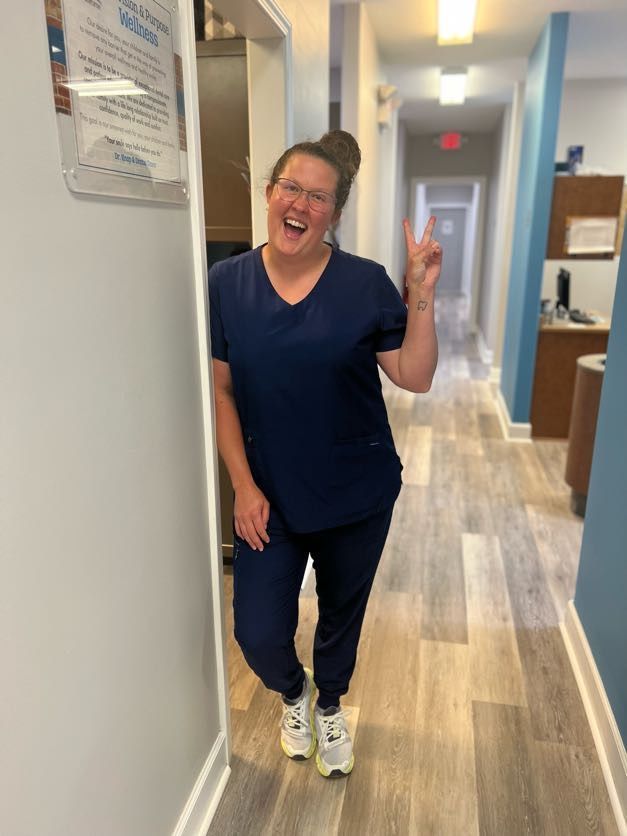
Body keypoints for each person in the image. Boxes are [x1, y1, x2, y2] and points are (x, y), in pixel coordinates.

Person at [209, 130, 441, 778]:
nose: (300, 205)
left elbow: (415, 375)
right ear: (268, 193)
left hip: (354, 489)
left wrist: (418, 290)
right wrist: (242, 487)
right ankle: (295, 692)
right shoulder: (226, 283)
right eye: (291, 188)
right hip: (268, 496)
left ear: (333, 214)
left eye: (318, 197)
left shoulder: (364, 284)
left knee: (341, 613)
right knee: (256, 632)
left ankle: (331, 702)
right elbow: (222, 392)